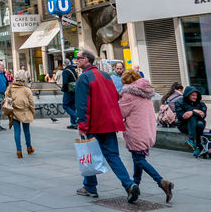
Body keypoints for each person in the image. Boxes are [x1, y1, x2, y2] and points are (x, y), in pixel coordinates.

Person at [75, 50, 139, 203]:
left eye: (78, 58)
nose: (76, 61)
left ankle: (90, 187)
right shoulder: (106, 75)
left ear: (86, 60)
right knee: (112, 156)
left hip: (94, 123)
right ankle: (129, 185)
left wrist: (82, 124)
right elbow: (114, 97)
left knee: (88, 154)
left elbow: (82, 104)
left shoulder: (84, 77)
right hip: (109, 122)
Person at [119, 70, 174, 203]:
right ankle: (135, 186)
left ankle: (161, 181)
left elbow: (121, 112)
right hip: (147, 129)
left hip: (136, 130)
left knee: (138, 159)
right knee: (138, 157)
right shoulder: (146, 92)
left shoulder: (129, 94)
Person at [5, 69, 35, 158]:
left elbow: (7, 99)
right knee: (26, 131)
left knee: (16, 132)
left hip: (14, 112)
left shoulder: (10, 88)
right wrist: (32, 111)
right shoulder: (26, 89)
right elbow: (31, 102)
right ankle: (29, 148)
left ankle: (19, 151)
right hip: (25, 112)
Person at [175, 85, 207, 155]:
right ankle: (198, 145)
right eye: (192, 95)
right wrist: (195, 111)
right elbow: (181, 116)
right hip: (184, 125)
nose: (195, 97)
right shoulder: (179, 102)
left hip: (199, 124)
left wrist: (192, 112)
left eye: (196, 95)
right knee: (192, 117)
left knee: (199, 123)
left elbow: (202, 116)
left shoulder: (201, 103)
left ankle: (192, 140)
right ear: (187, 95)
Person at [61, 58, 78, 129]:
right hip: (74, 90)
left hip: (68, 91)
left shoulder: (65, 71)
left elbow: (65, 83)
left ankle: (76, 117)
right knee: (72, 106)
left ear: (64, 64)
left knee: (65, 105)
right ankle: (73, 123)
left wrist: (63, 89)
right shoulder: (74, 70)